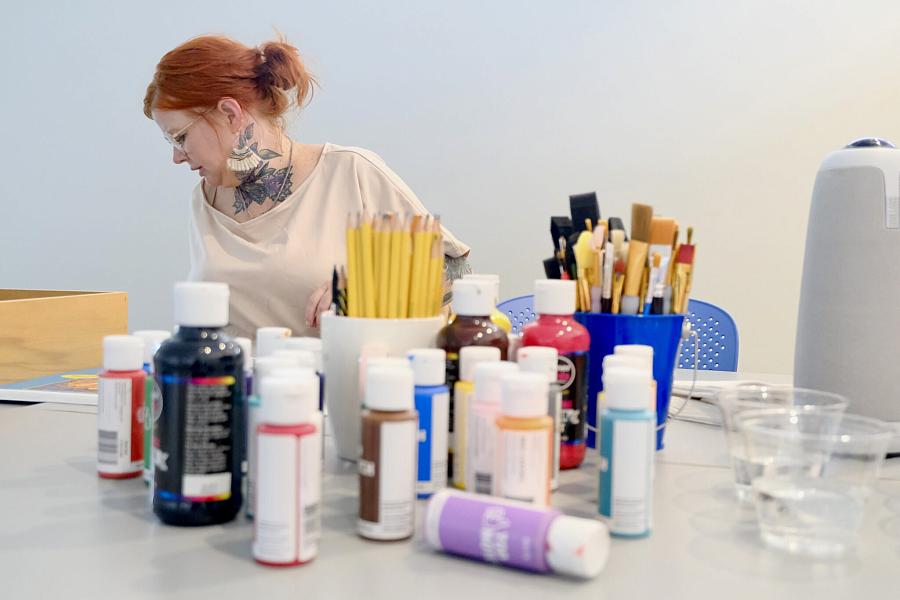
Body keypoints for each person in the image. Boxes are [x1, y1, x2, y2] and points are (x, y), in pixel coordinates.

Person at [144, 35, 471, 338]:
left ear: (230, 113)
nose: (176, 156)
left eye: (180, 137)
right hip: (233, 394)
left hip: (333, 392)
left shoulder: (351, 172)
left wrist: (372, 285)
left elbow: (457, 270)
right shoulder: (204, 200)